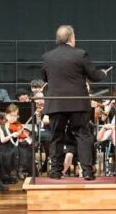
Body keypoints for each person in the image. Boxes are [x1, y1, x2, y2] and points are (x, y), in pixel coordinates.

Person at [41, 25, 108, 180]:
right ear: (71, 38)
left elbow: (45, 78)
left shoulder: (47, 57)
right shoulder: (80, 54)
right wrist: (103, 73)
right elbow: (94, 76)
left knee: (56, 136)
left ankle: (56, 172)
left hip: (56, 103)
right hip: (78, 103)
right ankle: (87, 172)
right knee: (82, 135)